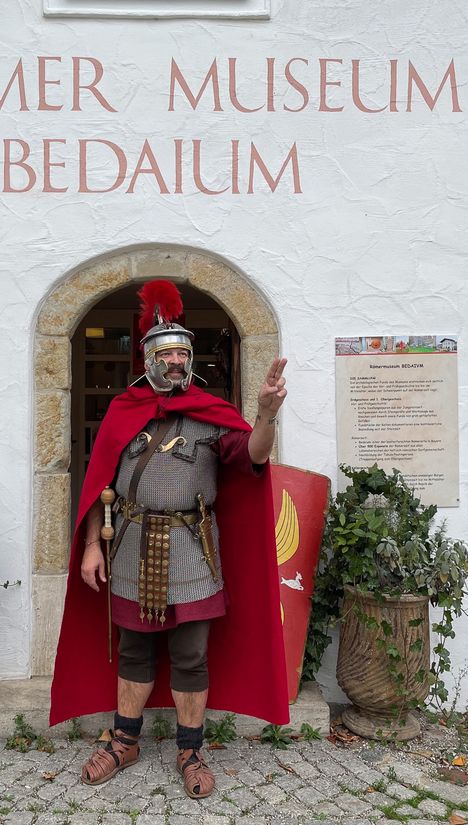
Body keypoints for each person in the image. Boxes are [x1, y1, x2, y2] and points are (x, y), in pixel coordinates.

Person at [50, 280, 290, 799]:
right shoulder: (122, 412)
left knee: (191, 656)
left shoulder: (210, 415)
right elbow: (99, 485)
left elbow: (254, 456)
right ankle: (125, 740)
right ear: (148, 359)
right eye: (167, 353)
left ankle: (190, 748)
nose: (177, 361)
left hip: (191, 550)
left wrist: (266, 415)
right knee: (133, 650)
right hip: (132, 544)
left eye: (183, 352)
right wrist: (93, 543)